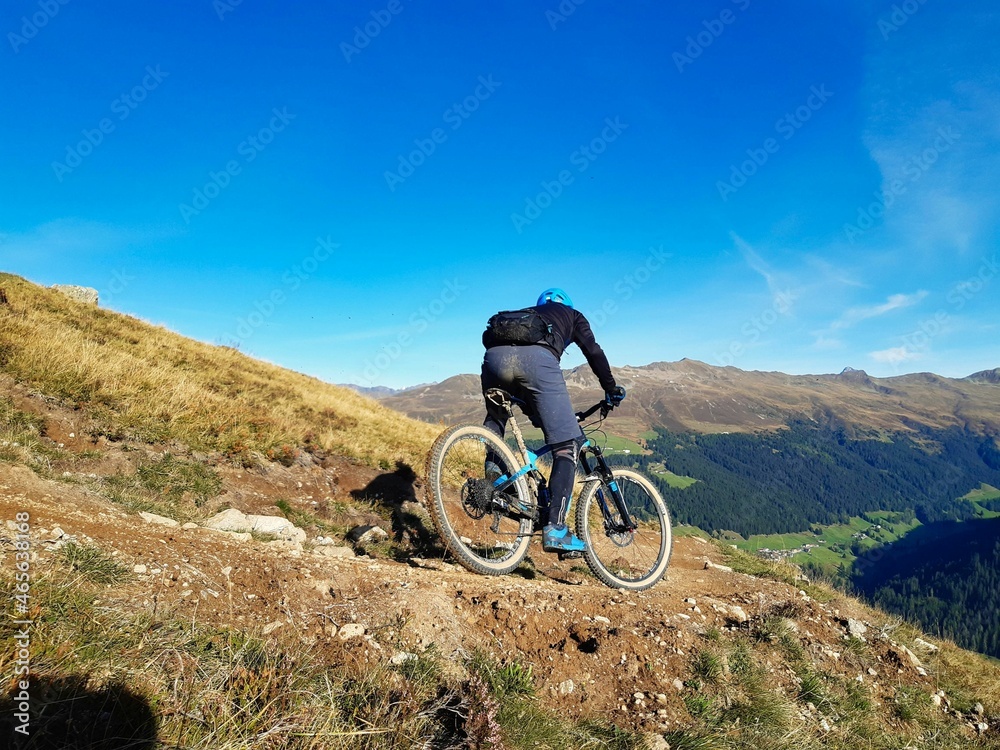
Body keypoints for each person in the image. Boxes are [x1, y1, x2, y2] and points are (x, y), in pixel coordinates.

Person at [480, 288, 626, 554]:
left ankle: (495, 478)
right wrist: (611, 388)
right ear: (567, 305)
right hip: (537, 362)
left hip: (493, 359)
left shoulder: (524, 315)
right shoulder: (573, 315)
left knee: (497, 417)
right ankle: (557, 529)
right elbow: (593, 352)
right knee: (565, 446)